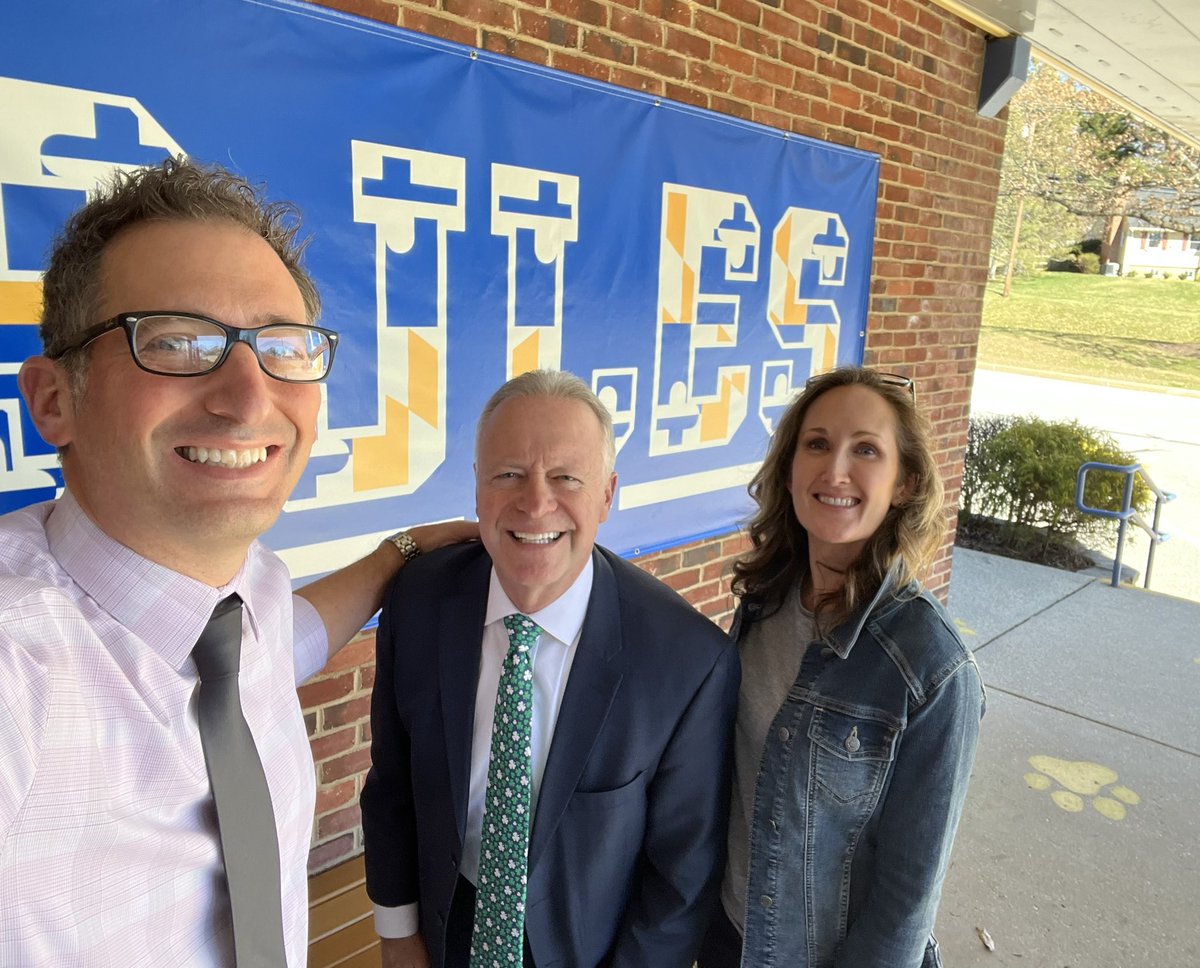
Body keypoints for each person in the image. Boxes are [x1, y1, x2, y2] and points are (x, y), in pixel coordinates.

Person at [0, 157, 475, 967]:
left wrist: (396, 556)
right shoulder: (19, 667)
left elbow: (279, 643)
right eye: (179, 343)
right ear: (53, 400)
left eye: (282, 347)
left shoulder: (242, 590)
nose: (249, 396)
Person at [360, 369, 740, 968]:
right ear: (478, 489)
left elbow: (681, 876)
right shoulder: (417, 602)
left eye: (566, 477)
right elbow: (392, 787)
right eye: (509, 474)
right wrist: (398, 936)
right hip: (444, 924)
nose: (536, 503)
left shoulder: (687, 661)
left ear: (607, 495)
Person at [697, 366, 985, 968]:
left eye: (867, 450)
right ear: (791, 467)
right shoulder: (768, 598)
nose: (835, 472)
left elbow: (906, 903)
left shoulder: (932, 670)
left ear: (904, 484)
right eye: (818, 444)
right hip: (728, 935)